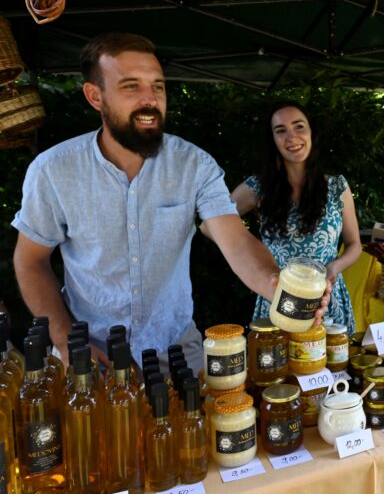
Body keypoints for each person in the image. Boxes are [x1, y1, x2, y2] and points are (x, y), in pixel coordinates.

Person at [11, 33, 327, 374]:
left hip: (177, 351)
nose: (150, 99)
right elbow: (31, 261)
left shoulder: (195, 165)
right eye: (131, 86)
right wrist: (65, 339)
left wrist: (274, 283)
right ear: (95, 96)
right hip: (90, 354)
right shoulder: (53, 170)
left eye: (157, 86)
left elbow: (234, 240)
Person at [204, 101, 362, 335]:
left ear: (311, 132)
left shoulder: (337, 187)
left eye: (299, 127)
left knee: (333, 370)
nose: (292, 137)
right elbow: (209, 226)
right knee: (278, 369)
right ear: (273, 141)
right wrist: (250, 251)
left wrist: (334, 267)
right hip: (278, 300)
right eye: (281, 131)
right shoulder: (257, 188)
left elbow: (354, 245)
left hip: (327, 301)